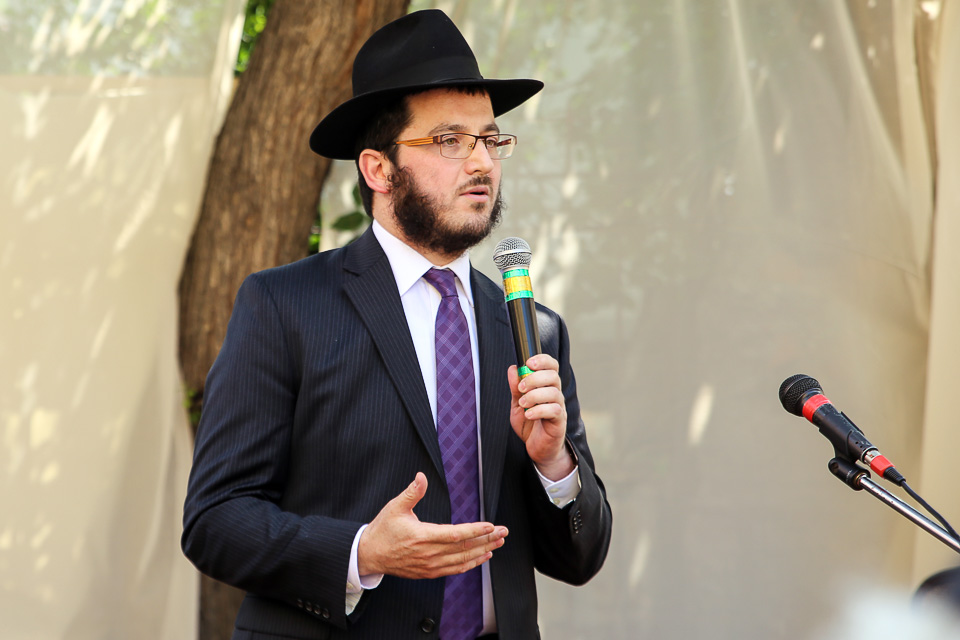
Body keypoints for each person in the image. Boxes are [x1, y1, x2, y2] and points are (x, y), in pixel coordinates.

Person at [181, 9, 612, 639]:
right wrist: (361, 553)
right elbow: (215, 520)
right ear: (378, 170)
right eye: (449, 141)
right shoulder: (283, 305)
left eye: (491, 140)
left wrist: (555, 466)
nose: (482, 163)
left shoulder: (533, 330)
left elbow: (581, 558)